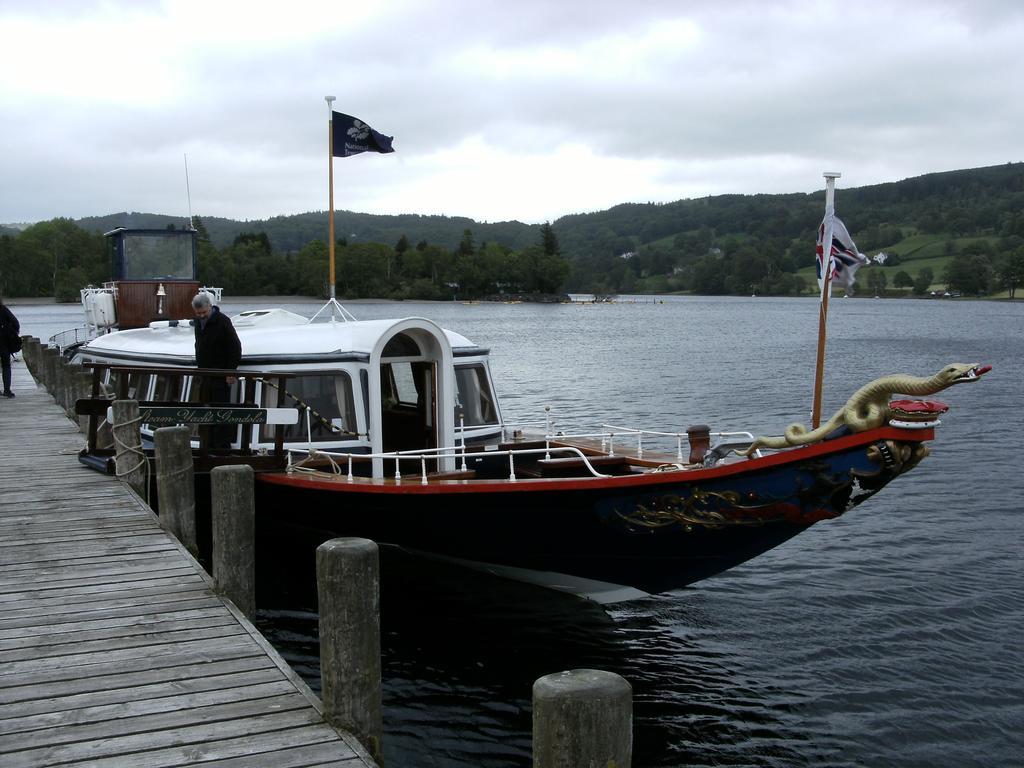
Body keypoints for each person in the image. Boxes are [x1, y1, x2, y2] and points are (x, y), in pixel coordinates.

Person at [192, 292, 241, 448]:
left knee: (220, 410)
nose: (201, 316)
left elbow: (235, 347)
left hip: (220, 374)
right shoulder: (198, 322)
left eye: (203, 313)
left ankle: (221, 446)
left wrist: (230, 371)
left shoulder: (223, 321)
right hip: (204, 374)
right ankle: (207, 443)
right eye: (198, 313)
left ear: (210, 307)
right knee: (206, 410)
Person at [0, 294, 20, 398]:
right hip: (4, 343)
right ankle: (7, 390)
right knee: (6, 366)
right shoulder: (3, 310)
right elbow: (16, 323)